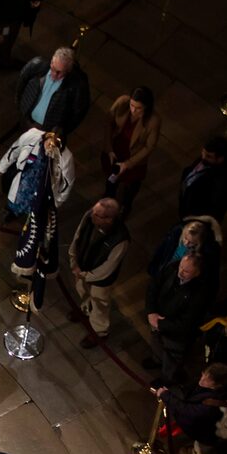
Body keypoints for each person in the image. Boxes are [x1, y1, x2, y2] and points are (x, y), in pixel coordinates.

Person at [68, 197, 129, 349]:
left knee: (99, 303)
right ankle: (85, 310)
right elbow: (78, 236)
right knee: (82, 290)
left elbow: (108, 267)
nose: (92, 215)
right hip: (81, 268)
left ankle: (100, 332)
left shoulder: (120, 239)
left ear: (109, 219)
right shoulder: (90, 217)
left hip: (101, 280)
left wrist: (86, 275)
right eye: (94, 212)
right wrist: (73, 260)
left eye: (97, 215)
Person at [145, 249, 206, 382]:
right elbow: (153, 288)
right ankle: (157, 359)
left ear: (197, 273)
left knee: (171, 357)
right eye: (181, 267)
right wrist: (151, 311)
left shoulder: (199, 294)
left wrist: (160, 323)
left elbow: (186, 323)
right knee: (156, 342)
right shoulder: (172, 268)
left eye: (186, 271)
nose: (180, 272)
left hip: (176, 334)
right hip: (157, 319)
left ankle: (167, 379)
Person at [102, 86, 160, 219]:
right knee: (111, 179)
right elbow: (108, 122)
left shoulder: (153, 121)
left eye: (138, 108)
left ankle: (125, 206)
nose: (133, 110)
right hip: (116, 150)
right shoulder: (122, 103)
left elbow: (149, 147)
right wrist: (109, 149)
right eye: (132, 105)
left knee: (130, 187)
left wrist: (128, 164)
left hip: (134, 158)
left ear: (146, 107)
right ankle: (108, 199)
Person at [0, 126, 74, 225]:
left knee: (35, 212)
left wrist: (57, 202)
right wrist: (2, 166)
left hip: (42, 189)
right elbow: (15, 149)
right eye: (49, 143)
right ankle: (10, 212)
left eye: (55, 146)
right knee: (15, 201)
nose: (50, 147)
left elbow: (68, 183)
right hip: (24, 182)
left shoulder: (66, 158)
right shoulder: (32, 136)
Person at [17, 45, 91, 138]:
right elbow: (21, 81)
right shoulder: (37, 65)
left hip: (47, 131)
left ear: (69, 70)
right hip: (27, 119)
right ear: (52, 61)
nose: (54, 74)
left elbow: (79, 112)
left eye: (59, 72)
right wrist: (21, 105)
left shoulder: (78, 86)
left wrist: (63, 130)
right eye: (53, 68)